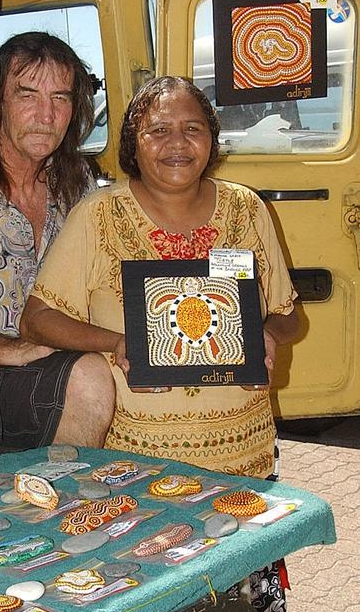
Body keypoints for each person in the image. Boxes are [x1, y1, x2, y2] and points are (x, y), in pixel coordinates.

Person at [20, 75, 300, 478]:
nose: (177, 144)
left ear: (211, 138)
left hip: (244, 457)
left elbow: (288, 313)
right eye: (158, 131)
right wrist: (117, 342)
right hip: (138, 464)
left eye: (192, 129)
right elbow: (36, 319)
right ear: (134, 142)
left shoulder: (247, 208)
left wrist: (268, 334)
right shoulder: (98, 215)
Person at [0, 32, 115, 463]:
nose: (45, 115)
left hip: (58, 358)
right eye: (27, 94)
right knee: (88, 378)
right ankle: (69, 511)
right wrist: (13, 349)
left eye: (60, 99)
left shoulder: (78, 185)